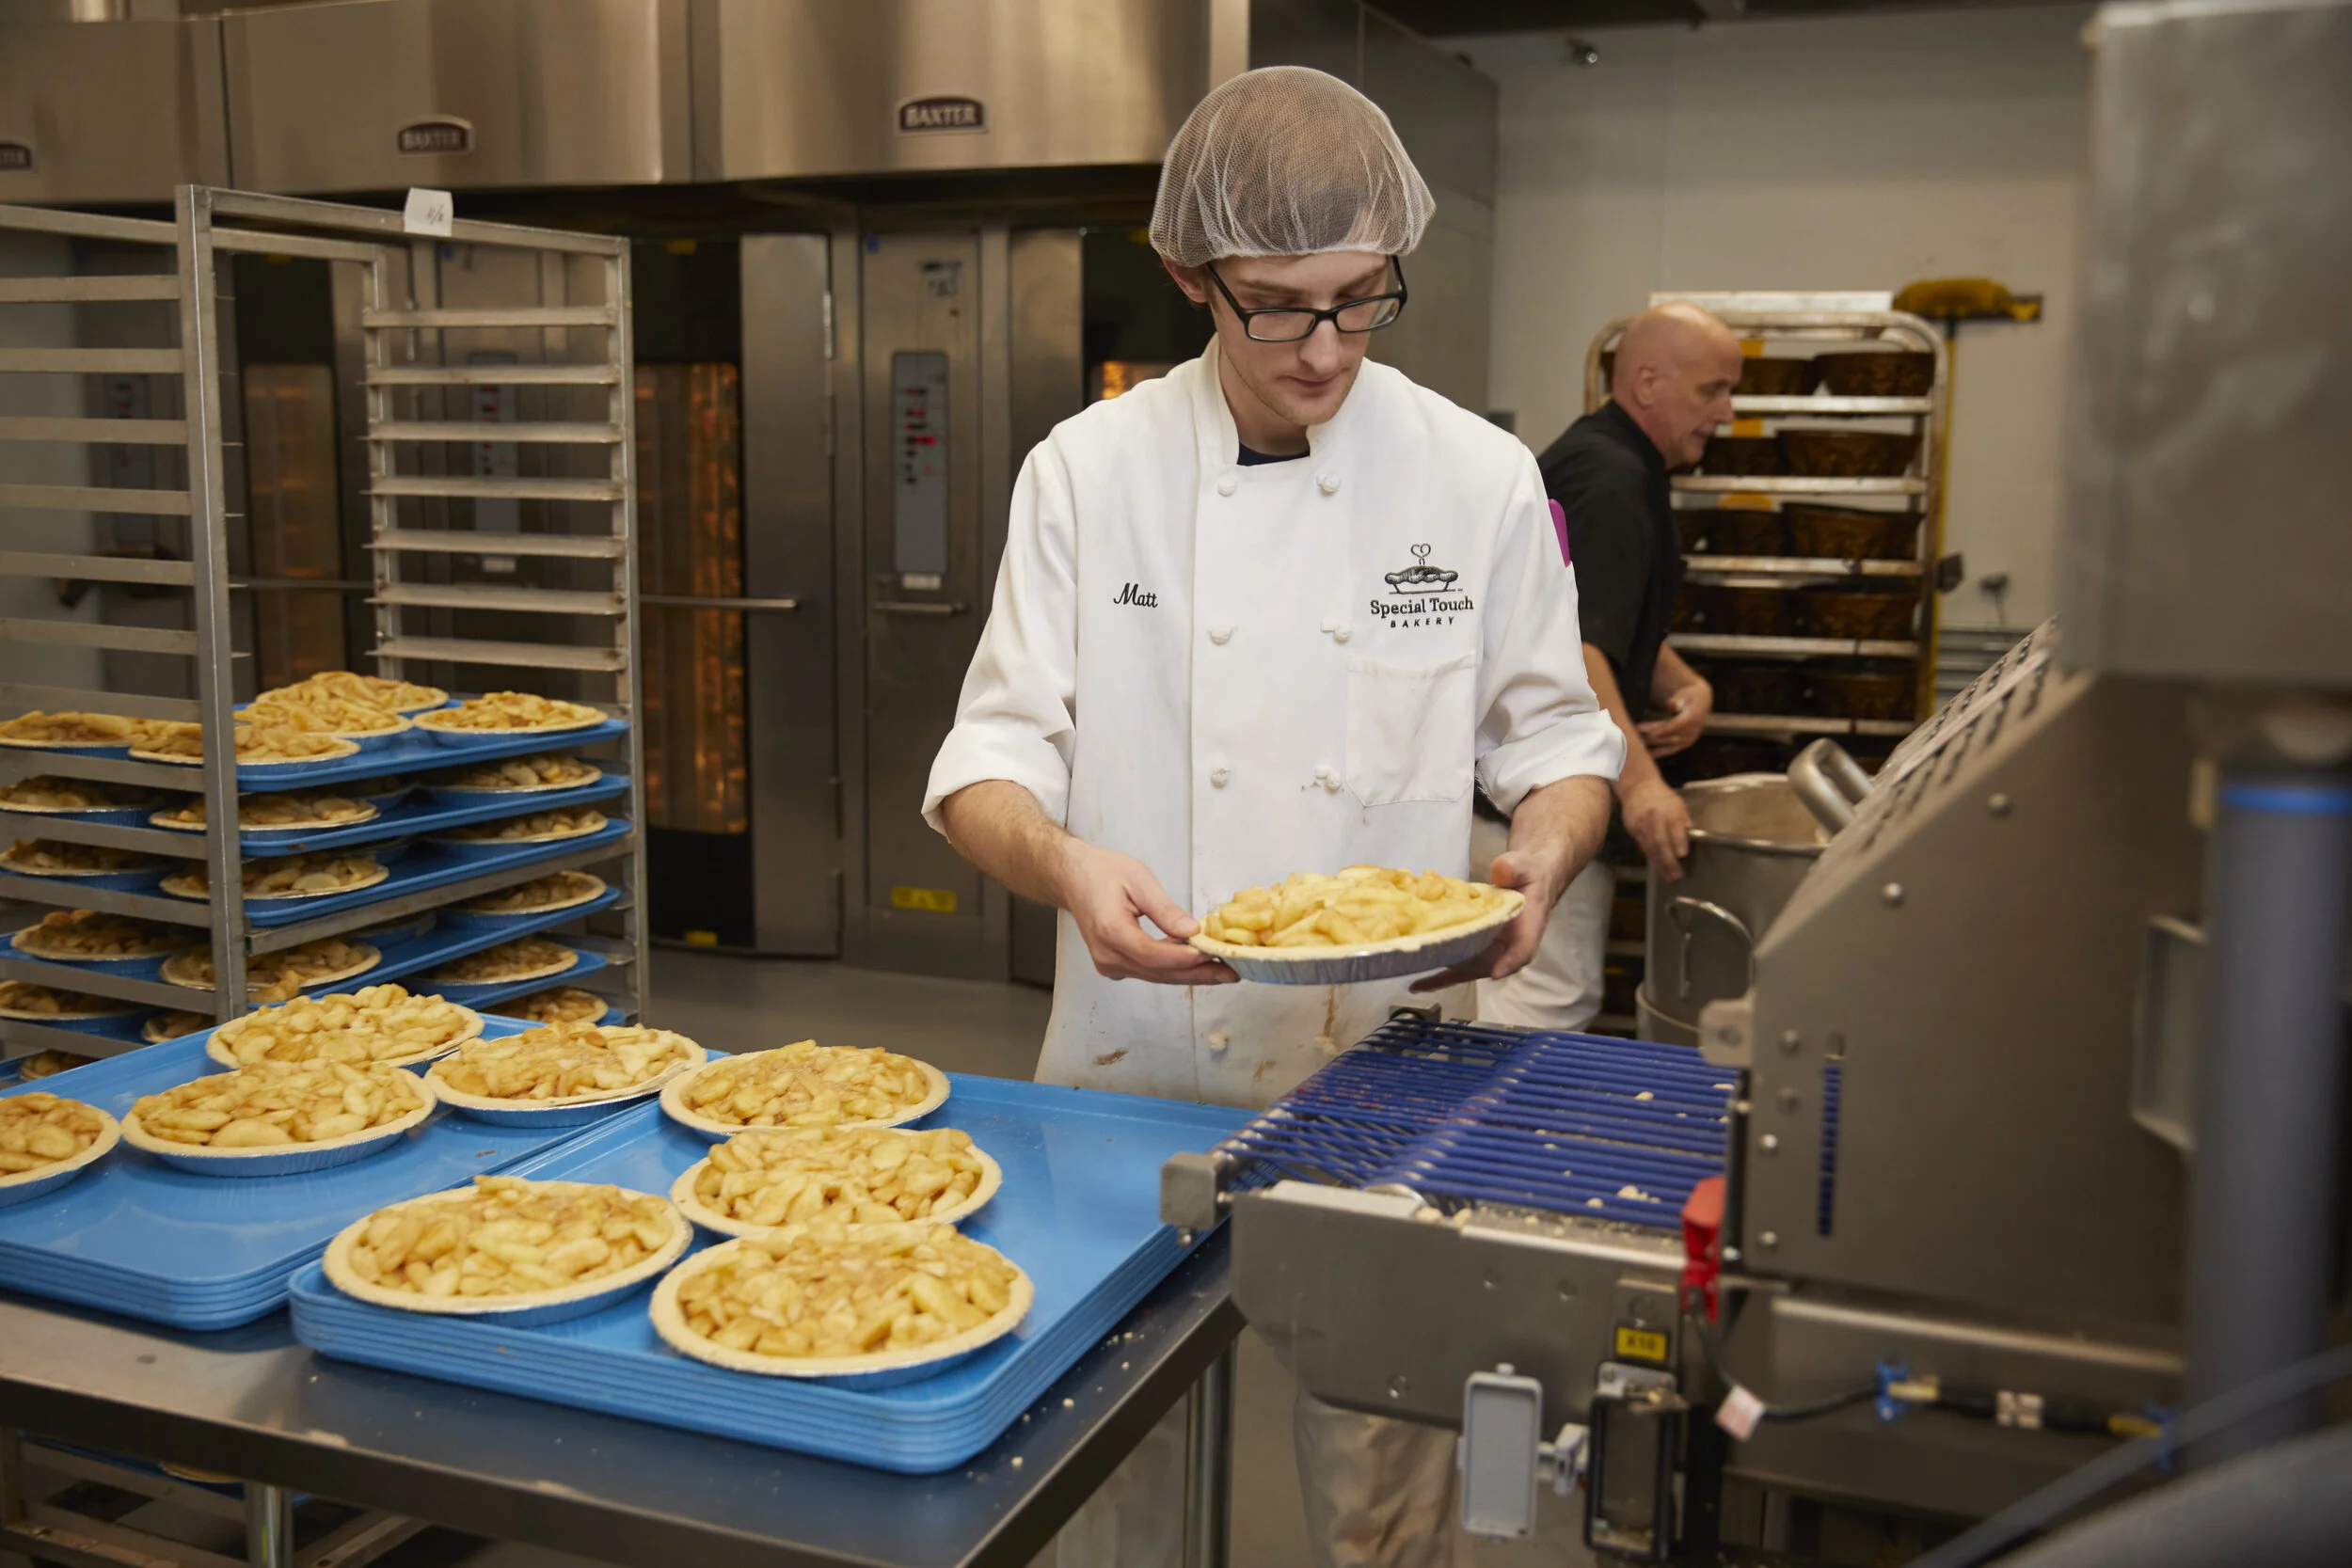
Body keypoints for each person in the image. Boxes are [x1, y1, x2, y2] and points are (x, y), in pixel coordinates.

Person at [922, 65, 1624, 1568]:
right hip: (1132, 1060)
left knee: (1386, 1494)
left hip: (1389, 1062)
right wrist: (1065, 863)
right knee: (1106, 1473)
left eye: (1361, 302)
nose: (1324, 350)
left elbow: (1564, 746)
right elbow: (985, 763)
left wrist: (1545, 860)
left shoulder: (1475, 476)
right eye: (1280, 308)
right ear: (1192, 276)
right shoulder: (1087, 471)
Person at [1472, 303, 1740, 1030]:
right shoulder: (1612, 481)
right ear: (1647, 383)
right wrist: (1642, 786)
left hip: (1508, 795)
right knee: (1545, 994)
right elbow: (1583, 650)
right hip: (1534, 802)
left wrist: (1681, 680)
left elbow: (1594, 613)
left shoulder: (1617, 462)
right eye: (1712, 390)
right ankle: (1451, 1109)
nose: (1727, 412)